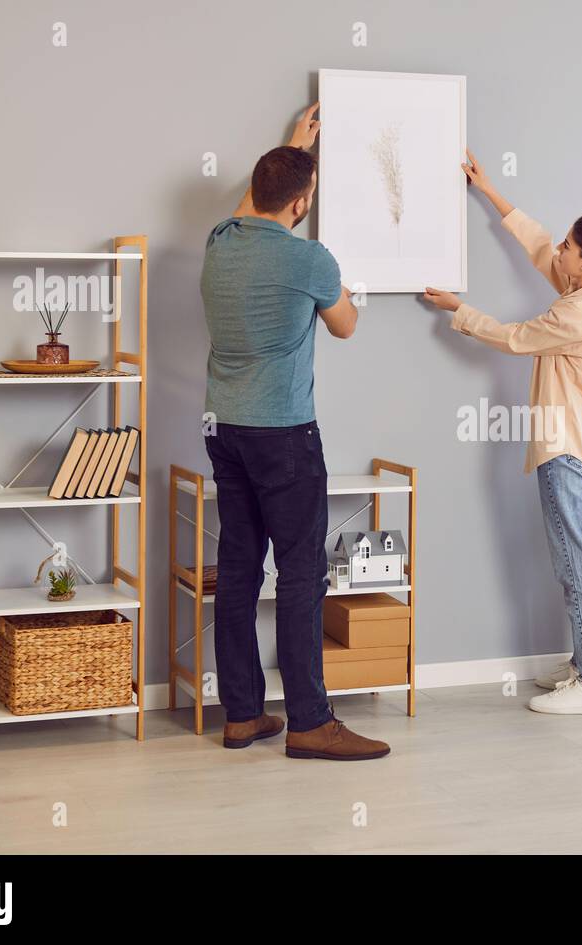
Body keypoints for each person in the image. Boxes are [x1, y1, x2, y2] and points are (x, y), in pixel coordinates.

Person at [421, 151, 582, 716]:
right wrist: (489, 190)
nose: (561, 250)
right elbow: (541, 244)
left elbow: (515, 337)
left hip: (566, 448)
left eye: (571, 247)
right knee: (579, 559)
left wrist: (457, 309)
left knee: (575, 566)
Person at [199, 103, 389, 760]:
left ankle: (243, 715)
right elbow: (346, 325)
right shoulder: (311, 259)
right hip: (283, 434)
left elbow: (255, 202)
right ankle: (310, 720)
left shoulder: (219, 242)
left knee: (239, 569)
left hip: (223, 430)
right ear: (303, 202)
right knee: (303, 574)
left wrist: (289, 150)